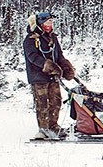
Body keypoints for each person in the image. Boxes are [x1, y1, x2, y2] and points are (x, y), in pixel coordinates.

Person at [23, 10, 76, 140]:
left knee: (56, 101)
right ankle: (43, 128)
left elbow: (59, 54)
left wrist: (64, 66)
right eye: (48, 22)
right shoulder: (31, 39)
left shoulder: (53, 37)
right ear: (41, 23)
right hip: (38, 76)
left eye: (52, 22)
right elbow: (32, 57)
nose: (50, 24)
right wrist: (48, 66)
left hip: (53, 76)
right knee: (42, 103)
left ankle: (53, 125)